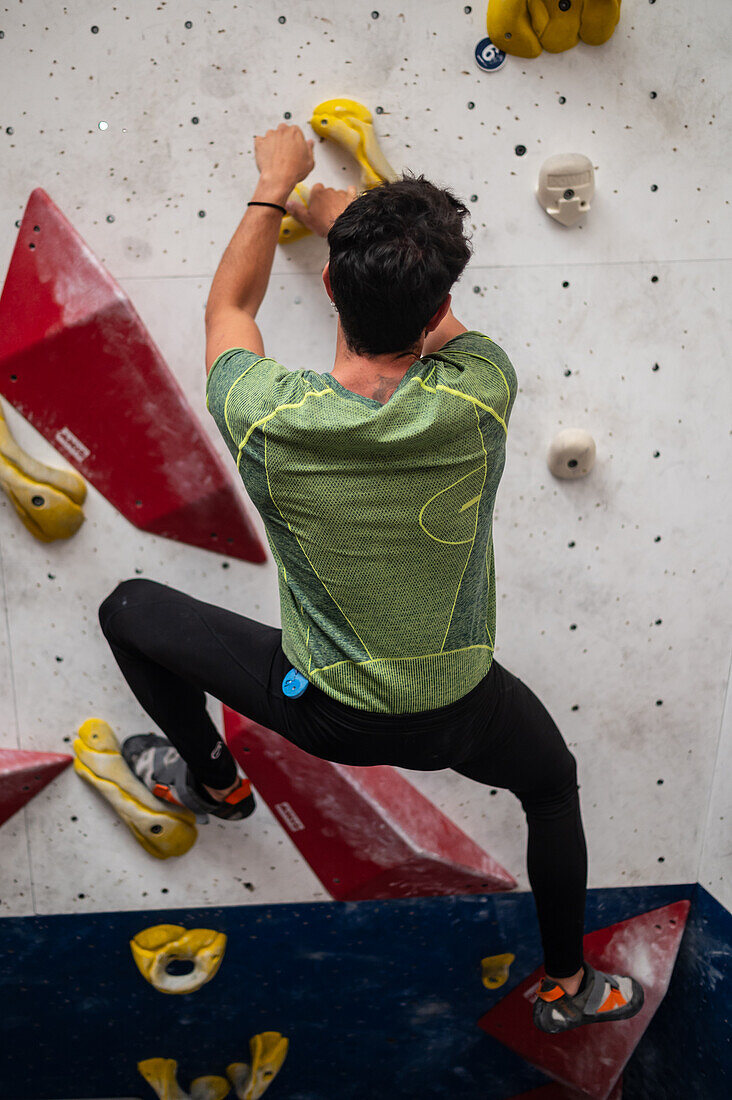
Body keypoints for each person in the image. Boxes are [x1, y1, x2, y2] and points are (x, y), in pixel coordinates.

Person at [98, 124, 643, 1033]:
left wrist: (279, 184)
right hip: (465, 710)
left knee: (128, 610)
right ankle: (568, 986)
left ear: (326, 289)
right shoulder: (479, 390)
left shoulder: (262, 413)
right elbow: (437, 320)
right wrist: (354, 219)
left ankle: (215, 782)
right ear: (441, 312)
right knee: (550, 789)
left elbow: (228, 307)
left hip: (326, 712)